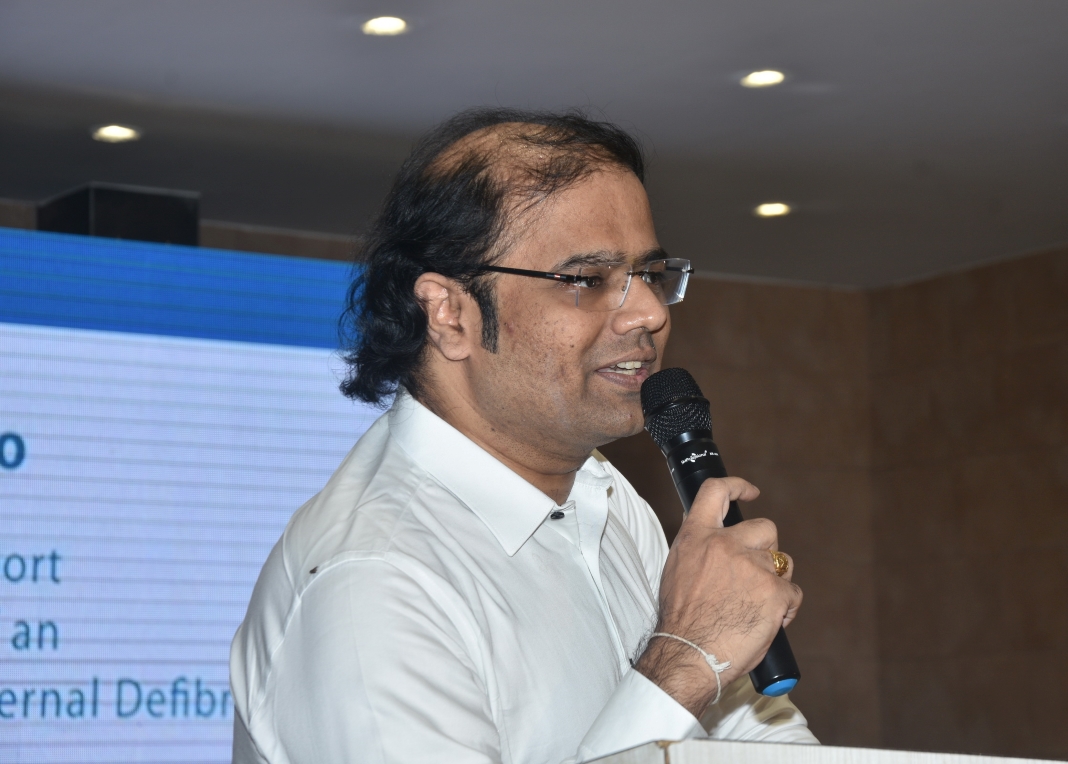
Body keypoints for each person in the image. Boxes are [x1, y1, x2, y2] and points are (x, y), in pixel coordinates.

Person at [230, 108, 817, 764]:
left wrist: (712, 642)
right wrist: (684, 660)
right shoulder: (371, 580)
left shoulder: (605, 493)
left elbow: (758, 739)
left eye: (651, 274)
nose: (650, 312)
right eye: (587, 280)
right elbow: (692, 670)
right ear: (449, 313)